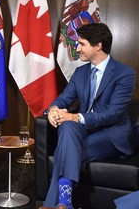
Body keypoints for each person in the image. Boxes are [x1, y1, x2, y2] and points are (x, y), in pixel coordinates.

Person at [39, 23, 136, 209]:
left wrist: (76, 117)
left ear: (98, 46)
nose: (77, 48)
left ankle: (54, 204)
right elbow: (63, 99)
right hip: (84, 130)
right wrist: (53, 109)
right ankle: (64, 204)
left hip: (111, 134)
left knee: (63, 151)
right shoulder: (80, 72)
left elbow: (113, 114)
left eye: (81, 44)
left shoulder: (125, 74)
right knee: (67, 127)